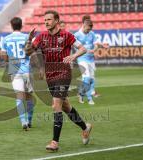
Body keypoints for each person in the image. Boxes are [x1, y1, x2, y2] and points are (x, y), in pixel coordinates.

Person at [25, 10, 92, 152]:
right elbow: (28, 52)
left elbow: (83, 49)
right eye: (45, 20)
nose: (46, 22)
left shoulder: (67, 35)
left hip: (64, 73)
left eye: (49, 19)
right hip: (50, 76)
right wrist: (28, 40)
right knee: (66, 106)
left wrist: (73, 56)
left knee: (56, 105)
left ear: (56, 20)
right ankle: (85, 127)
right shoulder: (41, 36)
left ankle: (54, 142)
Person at [1, 17, 34, 131]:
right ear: (21, 25)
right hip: (27, 70)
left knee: (19, 97)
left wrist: (10, 62)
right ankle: (29, 121)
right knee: (29, 97)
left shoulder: (5, 39)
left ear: (11, 25)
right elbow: (31, 52)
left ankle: (23, 121)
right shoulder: (26, 37)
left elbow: (4, 56)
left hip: (14, 70)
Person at [74, 16, 108, 105]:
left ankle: (81, 94)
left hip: (91, 59)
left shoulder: (92, 33)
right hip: (82, 59)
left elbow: (96, 44)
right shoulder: (77, 35)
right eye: (87, 30)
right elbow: (72, 45)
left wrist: (95, 50)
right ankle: (90, 99)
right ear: (84, 26)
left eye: (90, 30)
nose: (88, 31)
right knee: (87, 77)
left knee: (92, 79)